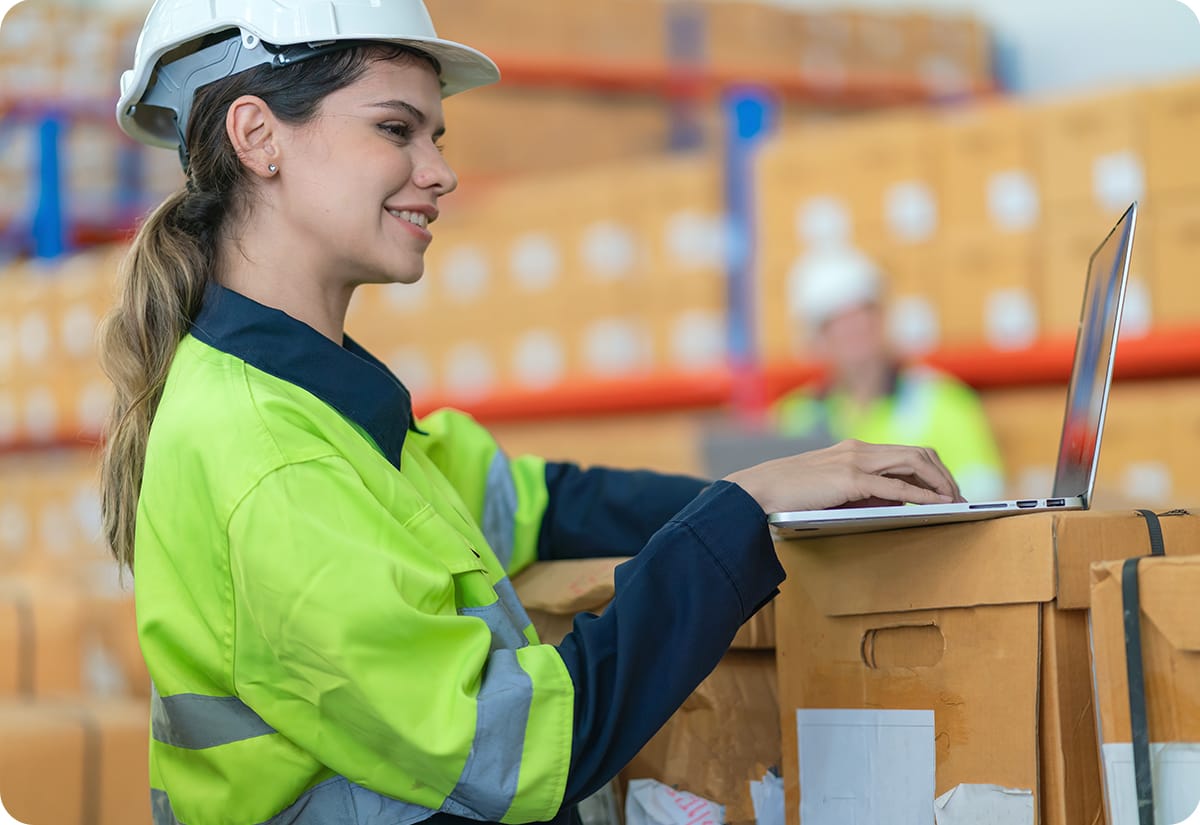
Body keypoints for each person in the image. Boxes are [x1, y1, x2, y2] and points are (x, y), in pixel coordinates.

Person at [98, 2, 963, 823]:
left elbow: (542, 501)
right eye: (395, 129)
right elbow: (528, 744)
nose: (440, 171)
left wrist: (780, 495)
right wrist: (741, 515)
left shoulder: (323, 407)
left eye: (436, 136)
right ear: (258, 137)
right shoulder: (270, 455)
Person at [771, 247, 1006, 502]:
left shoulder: (944, 401)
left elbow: (984, 501)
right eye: (839, 320)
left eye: (864, 312)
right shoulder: (796, 418)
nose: (856, 328)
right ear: (816, 338)